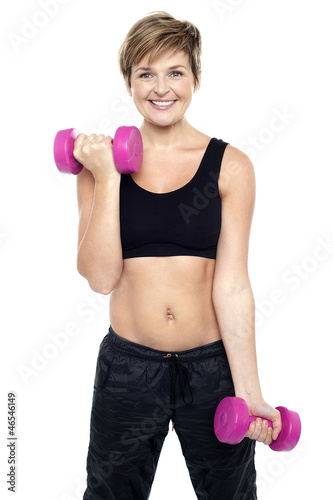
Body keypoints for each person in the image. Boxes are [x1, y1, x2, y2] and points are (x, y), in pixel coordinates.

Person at [74, 11, 282, 500]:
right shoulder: (97, 165)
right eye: (146, 73)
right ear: (128, 82)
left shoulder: (232, 167)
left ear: (197, 78)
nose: (161, 87)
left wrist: (249, 393)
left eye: (175, 72)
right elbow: (101, 277)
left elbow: (232, 286)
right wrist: (107, 178)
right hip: (128, 366)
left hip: (211, 370)